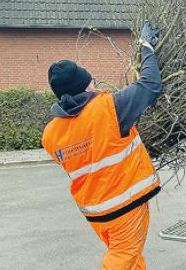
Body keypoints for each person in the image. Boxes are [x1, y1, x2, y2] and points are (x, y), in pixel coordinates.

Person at [42, 21, 163, 269]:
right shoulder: (110, 109)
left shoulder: (50, 134)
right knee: (122, 258)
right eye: (91, 81)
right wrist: (146, 47)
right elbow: (151, 85)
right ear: (84, 86)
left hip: (97, 214)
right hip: (124, 208)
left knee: (130, 258)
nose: (94, 84)